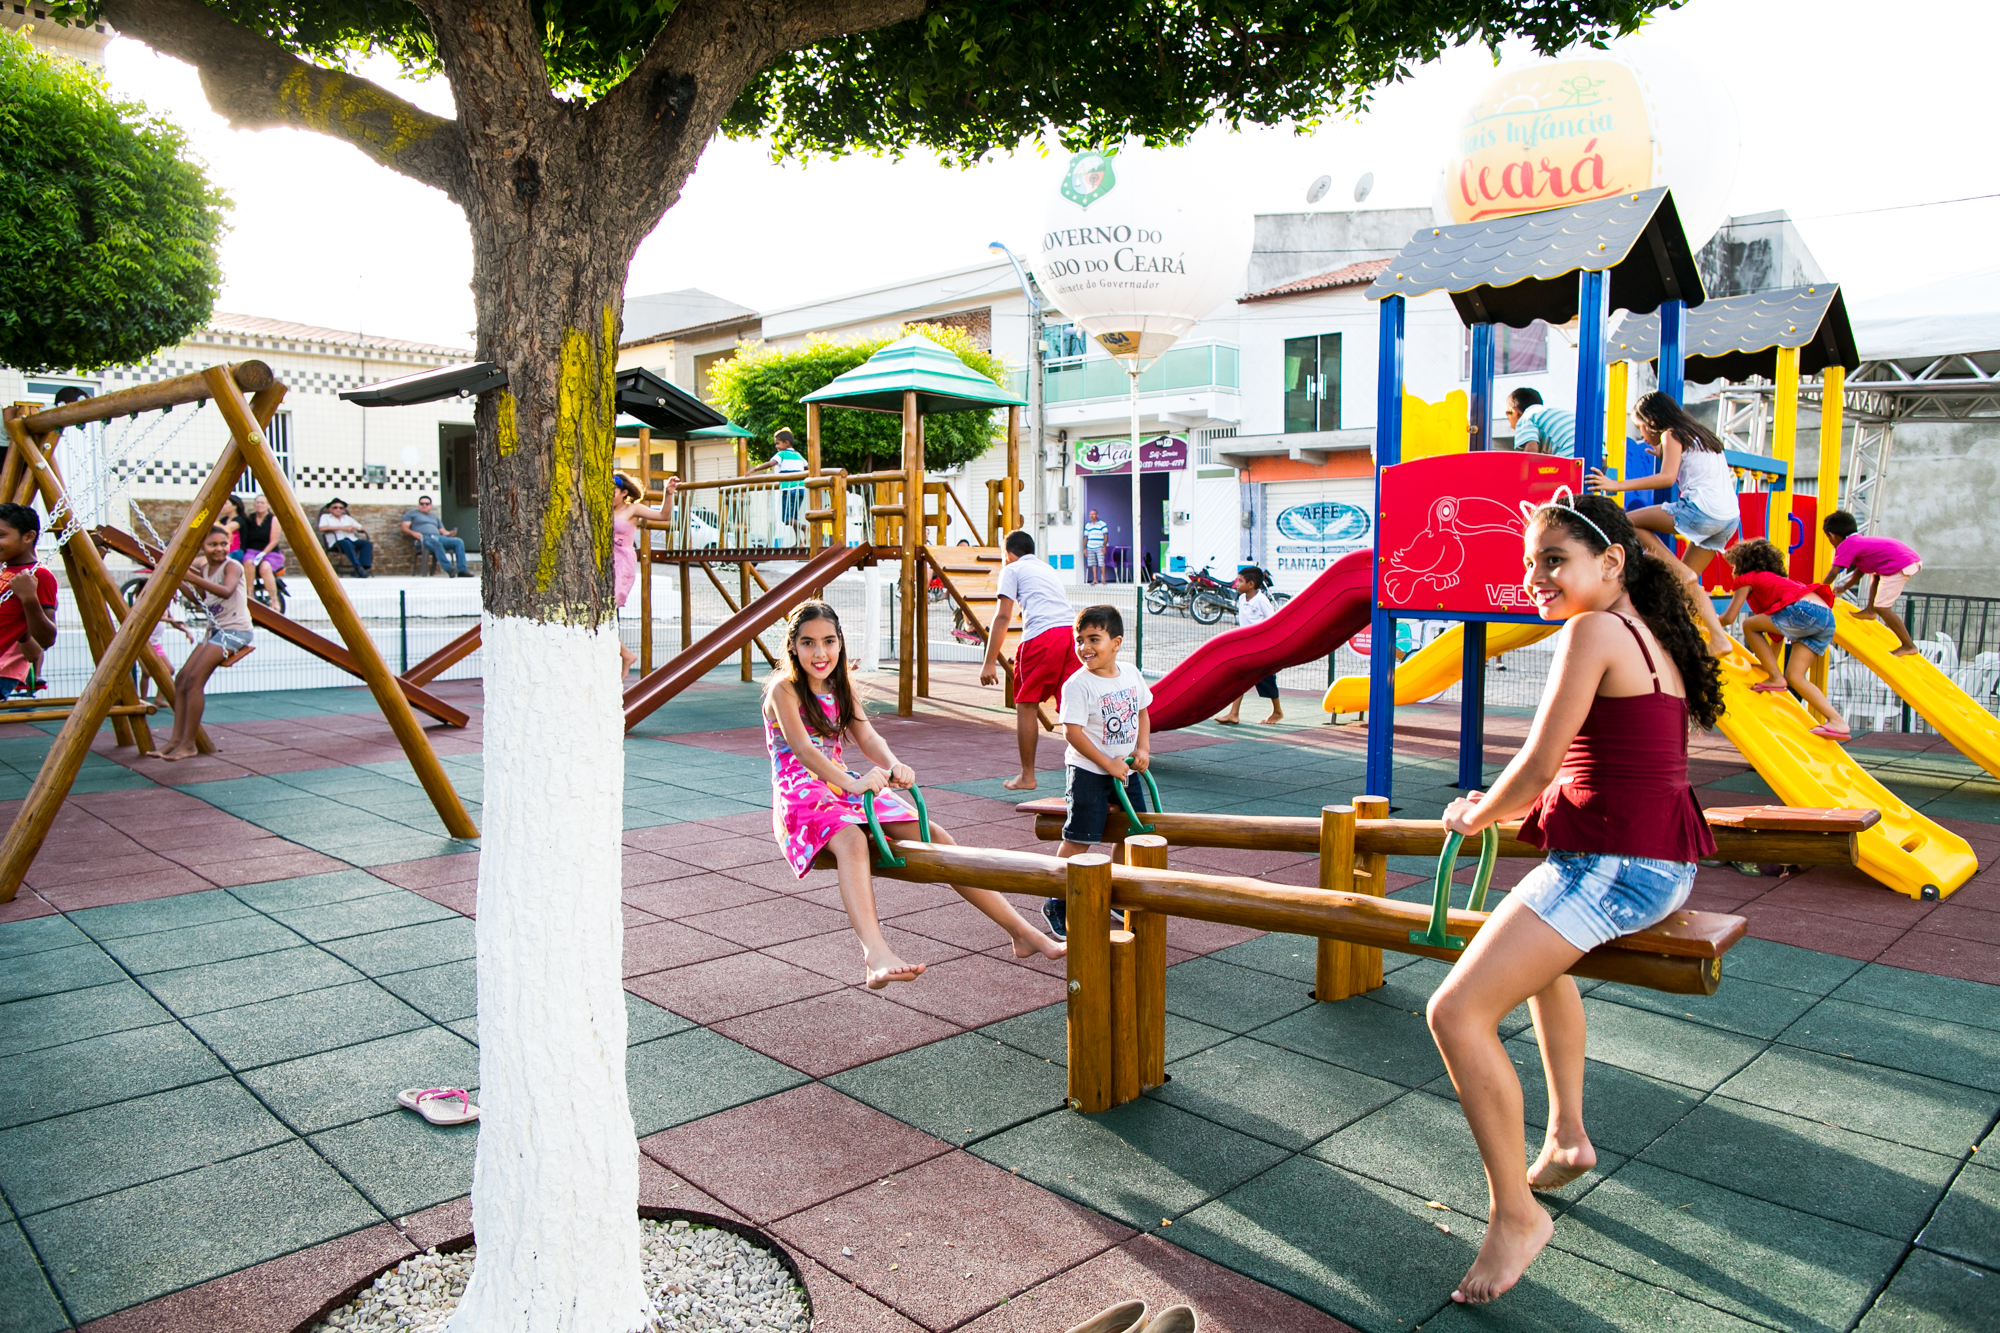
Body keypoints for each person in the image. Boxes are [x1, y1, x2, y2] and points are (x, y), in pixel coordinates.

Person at [1424, 489, 1723, 1306]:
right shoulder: (1644, 628)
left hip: (1616, 862)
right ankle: (1565, 1136)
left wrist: (1474, 812)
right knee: (1540, 966)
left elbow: (1539, 763)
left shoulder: (1592, 630)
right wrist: (1499, 807)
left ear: (1612, 561)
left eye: (1554, 560)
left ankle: (1516, 1214)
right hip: (1654, 859)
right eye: (1531, 563)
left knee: (1455, 1013)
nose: (1537, 578)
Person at [764, 601, 1064, 986]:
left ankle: (1021, 932)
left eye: (828, 641)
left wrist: (893, 765)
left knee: (934, 835)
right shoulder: (784, 689)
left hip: (841, 786)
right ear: (793, 647)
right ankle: (875, 954)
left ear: (840, 642)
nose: (819, 652)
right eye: (808, 643)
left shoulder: (841, 687)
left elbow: (868, 736)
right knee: (852, 841)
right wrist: (853, 783)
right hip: (801, 792)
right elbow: (804, 751)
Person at [1585, 391, 1738, 654]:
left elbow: (1667, 478)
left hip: (1701, 511)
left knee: (1628, 522)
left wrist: (1616, 485)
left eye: (1641, 427)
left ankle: (1679, 569)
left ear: (1652, 421)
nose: (1642, 434)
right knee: (1684, 586)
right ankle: (1718, 639)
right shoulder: (1701, 435)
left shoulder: (1671, 434)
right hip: (1728, 519)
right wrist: (1663, 451)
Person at [1043, 604, 1152, 938]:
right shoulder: (1078, 684)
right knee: (1080, 838)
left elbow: (1143, 711)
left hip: (1124, 771)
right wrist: (1107, 763)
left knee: (1128, 833)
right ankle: (1057, 900)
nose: (1084, 647)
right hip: (1089, 771)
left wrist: (1143, 748)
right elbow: (1072, 733)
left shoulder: (1130, 674)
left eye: (1094, 639)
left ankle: (1113, 894)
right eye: (1079, 640)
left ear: (1116, 643)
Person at [979, 530, 1080, 792]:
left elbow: (1003, 616)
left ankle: (1027, 775)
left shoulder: (1011, 569)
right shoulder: (1047, 569)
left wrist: (989, 662)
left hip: (1043, 636)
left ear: (1007, 554)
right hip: (1071, 635)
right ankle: (1095, 768)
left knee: (1026, 704)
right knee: (1074, 705)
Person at [1719, 538, 1850, 740]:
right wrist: (1769, 669)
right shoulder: (1776, 583)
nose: (1732, 572)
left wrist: (1704, 621)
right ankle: (1837, 721)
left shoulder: (1745, 579)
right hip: (1825, 617)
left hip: (1805, 611)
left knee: (1748, 625)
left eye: (1733, 566)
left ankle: (1776, 678)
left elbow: (1729, 618)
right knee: (1795, 677)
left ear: (1743, 565)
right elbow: (1777, 637)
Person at [149, 526, 256, 761]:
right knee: (181, 679)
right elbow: (198, 598)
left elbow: (226, 591)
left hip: (236, 631)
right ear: (203, 547)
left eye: (223, 544)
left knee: (194, 680)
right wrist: (177, 578)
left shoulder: (232, 566)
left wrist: (193, 577)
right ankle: (175, 740)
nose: (219, 549)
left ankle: (188, 744)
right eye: (212, 544)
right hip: (214, 630)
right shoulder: (206, 569)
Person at [1824, 510, 1923, 656]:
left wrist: (1820, 588)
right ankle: (1870, 611)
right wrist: (1845, 587)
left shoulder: (1846, 545)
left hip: (1901, 563)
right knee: (1874, 574)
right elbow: (1861, 570)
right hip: (1907, 559)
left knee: (1882, 607)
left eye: (1829, 538)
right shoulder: (1858, 542)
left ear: (1832, 535)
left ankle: (1909, 645)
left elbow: (1834, 572)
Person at [611, 473, 677, 673]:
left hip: (622, 562)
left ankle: (625, 655)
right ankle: (625, 654)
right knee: (603, 610)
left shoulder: (633, 509)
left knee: (610, 605)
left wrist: (668, 493)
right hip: (606, 562)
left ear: (624, 493)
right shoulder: (602, 509)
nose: (609, 496)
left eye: (613, 492)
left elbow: (663, 516)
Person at [0, 504, 56, 699]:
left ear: (28, 536)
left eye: (1, 535)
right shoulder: (5, 571)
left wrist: (29, 598)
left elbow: (46, 640)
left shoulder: (39, 576)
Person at [1216, 566, 1282, 724]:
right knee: (1240, 677)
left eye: (1240, 581)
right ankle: (1234, 713)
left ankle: (1277, 711)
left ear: (1251, 584)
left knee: (1266, 679)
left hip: (1260, 647)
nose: (1237, 584)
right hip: (1246, 646)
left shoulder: (1261, 600)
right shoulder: (1241, 599)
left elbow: (1273, 622)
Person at [748, 428, 809, 542]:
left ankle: (804, 528)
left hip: (788, 489)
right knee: (793, 517)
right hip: (800, 489)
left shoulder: (782, 454)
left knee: (786, 519)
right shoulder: (799, 455)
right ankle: (799, 542)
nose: (776, 446)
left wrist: (754, 469)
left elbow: (771, 463)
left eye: (777, 443)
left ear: (786, 442)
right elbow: (808, 468)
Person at [235, 493, 287, 604]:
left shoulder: (273, 519)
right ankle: (249, 595)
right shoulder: (250, 519)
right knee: (248, 562)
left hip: (269, 552)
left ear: (268, 505)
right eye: (257, 502)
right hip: (251, 551)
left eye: (262, 503)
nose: (259, 505)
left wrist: (262, 554)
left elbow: (274, 541)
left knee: (265, 568)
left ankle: (274, 600)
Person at [400, 496, 469, 577]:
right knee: (437, 544)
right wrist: (413, 533)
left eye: (427, 504)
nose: (424, 505)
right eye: (422, 503)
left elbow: (442, 531)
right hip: (423, 538)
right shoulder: (412, 514)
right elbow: (404, 528)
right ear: (419, 505)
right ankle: (449, 569)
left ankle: (462, 570)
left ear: (430, 505)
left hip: (438, 537)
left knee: (458, 541)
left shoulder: (434, 517)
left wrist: (450, 533)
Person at [1505, 388, 1576, 458]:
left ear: (1514, 412)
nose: (1511, 426)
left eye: (1507, 415)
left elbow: (1531, 451)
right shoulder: (1550, 414)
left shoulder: (1526, 417)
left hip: (1568, 454)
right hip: (1580, 452)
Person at [318, 498, 374, 577]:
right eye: (335, 507)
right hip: (337, 541)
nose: (338, 509)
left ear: (343, 510)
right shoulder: (325, 517)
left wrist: (354, 528)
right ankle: (357, 567)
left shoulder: (347, 518)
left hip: (352, 539)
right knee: (346, 543)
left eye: (341, 508)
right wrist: (342, 528)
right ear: (330, 509)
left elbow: (361, 528)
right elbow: (322, 528)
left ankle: (363, 568)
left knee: (367, 544)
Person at [1082, 509, 1109, 585]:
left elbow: (1106, 536)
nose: (1091, 516)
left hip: (1100, 547)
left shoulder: (1102, 524)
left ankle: (1103, 579)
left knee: (1101, 563)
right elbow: (1085, 537)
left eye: (1093, 514)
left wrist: (1104, 546)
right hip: (1090, 547)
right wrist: (1084, 548)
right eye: (1090, 514)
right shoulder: (1088, 525)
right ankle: (1095, 579)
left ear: (1097, 515)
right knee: (1092, 564)